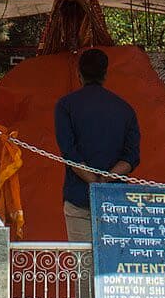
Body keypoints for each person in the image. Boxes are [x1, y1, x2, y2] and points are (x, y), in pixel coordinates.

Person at [53, 47, 141, 241]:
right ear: (105, 74)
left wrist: (93, 182)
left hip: (79, 197)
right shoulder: (125, 110)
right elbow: (131, 157)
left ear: (79, 75)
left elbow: (70, 154)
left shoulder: (65, 106)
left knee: (83, 258)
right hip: (115, 199)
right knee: (115, 257)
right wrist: (105, 181)